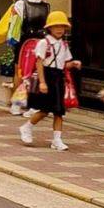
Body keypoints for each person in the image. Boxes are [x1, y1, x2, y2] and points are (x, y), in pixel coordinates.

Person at [19, 11, 81, 151]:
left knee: (59, 111)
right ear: (49, 28)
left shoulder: (64, 44)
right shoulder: (43, 42)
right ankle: (27, 127)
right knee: (44, 110)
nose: (59, 29)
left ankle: (57, 140)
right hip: (47, 75)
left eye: (62, 26)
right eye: (56, 26)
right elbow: (39, 62)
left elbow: (64, 64)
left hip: (58, 77)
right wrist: (42, 82)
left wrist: (73, 64)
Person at [10, 0, 50, 117]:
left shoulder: (20, 4)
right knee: (35, 73)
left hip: (23, 42)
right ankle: (34, 105)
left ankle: (17, 105)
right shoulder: (46, 7)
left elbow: (13, 26)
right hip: (41, 42)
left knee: (19, 72)